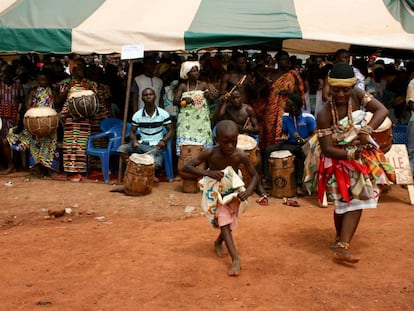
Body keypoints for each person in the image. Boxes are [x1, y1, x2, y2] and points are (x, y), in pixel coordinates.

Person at [304, 63, 396, 264]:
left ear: (352, 86)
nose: (340, 94)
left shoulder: (357, 94)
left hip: (356, 158)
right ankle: (340, 241)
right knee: (342, 204)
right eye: (335, 90)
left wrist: (367, 130)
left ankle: (342, 245)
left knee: (357, 201)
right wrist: (353, 153)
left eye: (345, 90)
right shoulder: (324, 115)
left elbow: (381, 110)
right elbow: (328, 149)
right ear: (329, 86)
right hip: (337, 160)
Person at [183, 120, 258, 276]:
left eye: (234, 141)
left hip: (234, 189)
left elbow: (255, 176)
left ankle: (218, 242)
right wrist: (208, 173)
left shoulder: (240, 155)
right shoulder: (211, 152)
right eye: (226, 142)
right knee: (224, 220)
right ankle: (235, 259)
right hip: (215, 190)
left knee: (229, 219)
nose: (230, 146)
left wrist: (248, 191)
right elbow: (187, 166)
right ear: (217, 140)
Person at [263, 93, 316, 196]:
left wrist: (304, 140)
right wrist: (284, 136)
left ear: (294, 107)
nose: (285, 106)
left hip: (304, 145)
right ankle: (268, 180)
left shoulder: (308, 117)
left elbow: (315, 134)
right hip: (290, 144)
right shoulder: (286, 117)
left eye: (287, 105)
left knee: (301, 154)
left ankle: (299, 184)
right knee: (268, 151)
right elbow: (284, 132)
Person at [118, 87, 174, 180]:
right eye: (145, 95)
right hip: (141, 144)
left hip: (156, 146)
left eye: (150, 94)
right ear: (142, 98)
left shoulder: (163, 114)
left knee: (157, 164)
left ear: (155, 97)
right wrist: (135, 141)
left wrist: (163, 140)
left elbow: (171, 130)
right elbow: (132, 131)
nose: (148, 96)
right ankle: (135, 169)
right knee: (121, 150)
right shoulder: (137, 115)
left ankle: (144, 174)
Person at [263, 50, 305, 150]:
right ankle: (270, 152)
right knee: (269, 130)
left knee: (283, 131)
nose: (285, 62)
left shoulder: (291, 75)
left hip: (286, 108)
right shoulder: (271, 74)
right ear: (277, 61)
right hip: (271, 108)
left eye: (286, 59)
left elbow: (298, 96)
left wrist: (288, 93)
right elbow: (264, 93)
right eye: (282, 59)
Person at [173, 61, 213, 155]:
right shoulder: (183, 86)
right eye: (193, 71)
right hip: (187, 121)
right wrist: (184, 101)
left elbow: (211, 101)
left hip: (202, 120)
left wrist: (208, 95)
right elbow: (175, 102)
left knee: (203, 147)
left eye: (197, 71)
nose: (196, 73)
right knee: (186, 147)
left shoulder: (203, 85)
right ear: (187, 74)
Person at [0, 65, 24, 174]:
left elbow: (21, 100)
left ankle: (15, 164)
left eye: (8, 73)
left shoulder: (17, 85)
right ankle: (9, 164)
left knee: (13, 140)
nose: (5, 76)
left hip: (14, 116)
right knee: (3, 141)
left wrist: (18, 113)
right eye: (4, 73)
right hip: (2, 117)